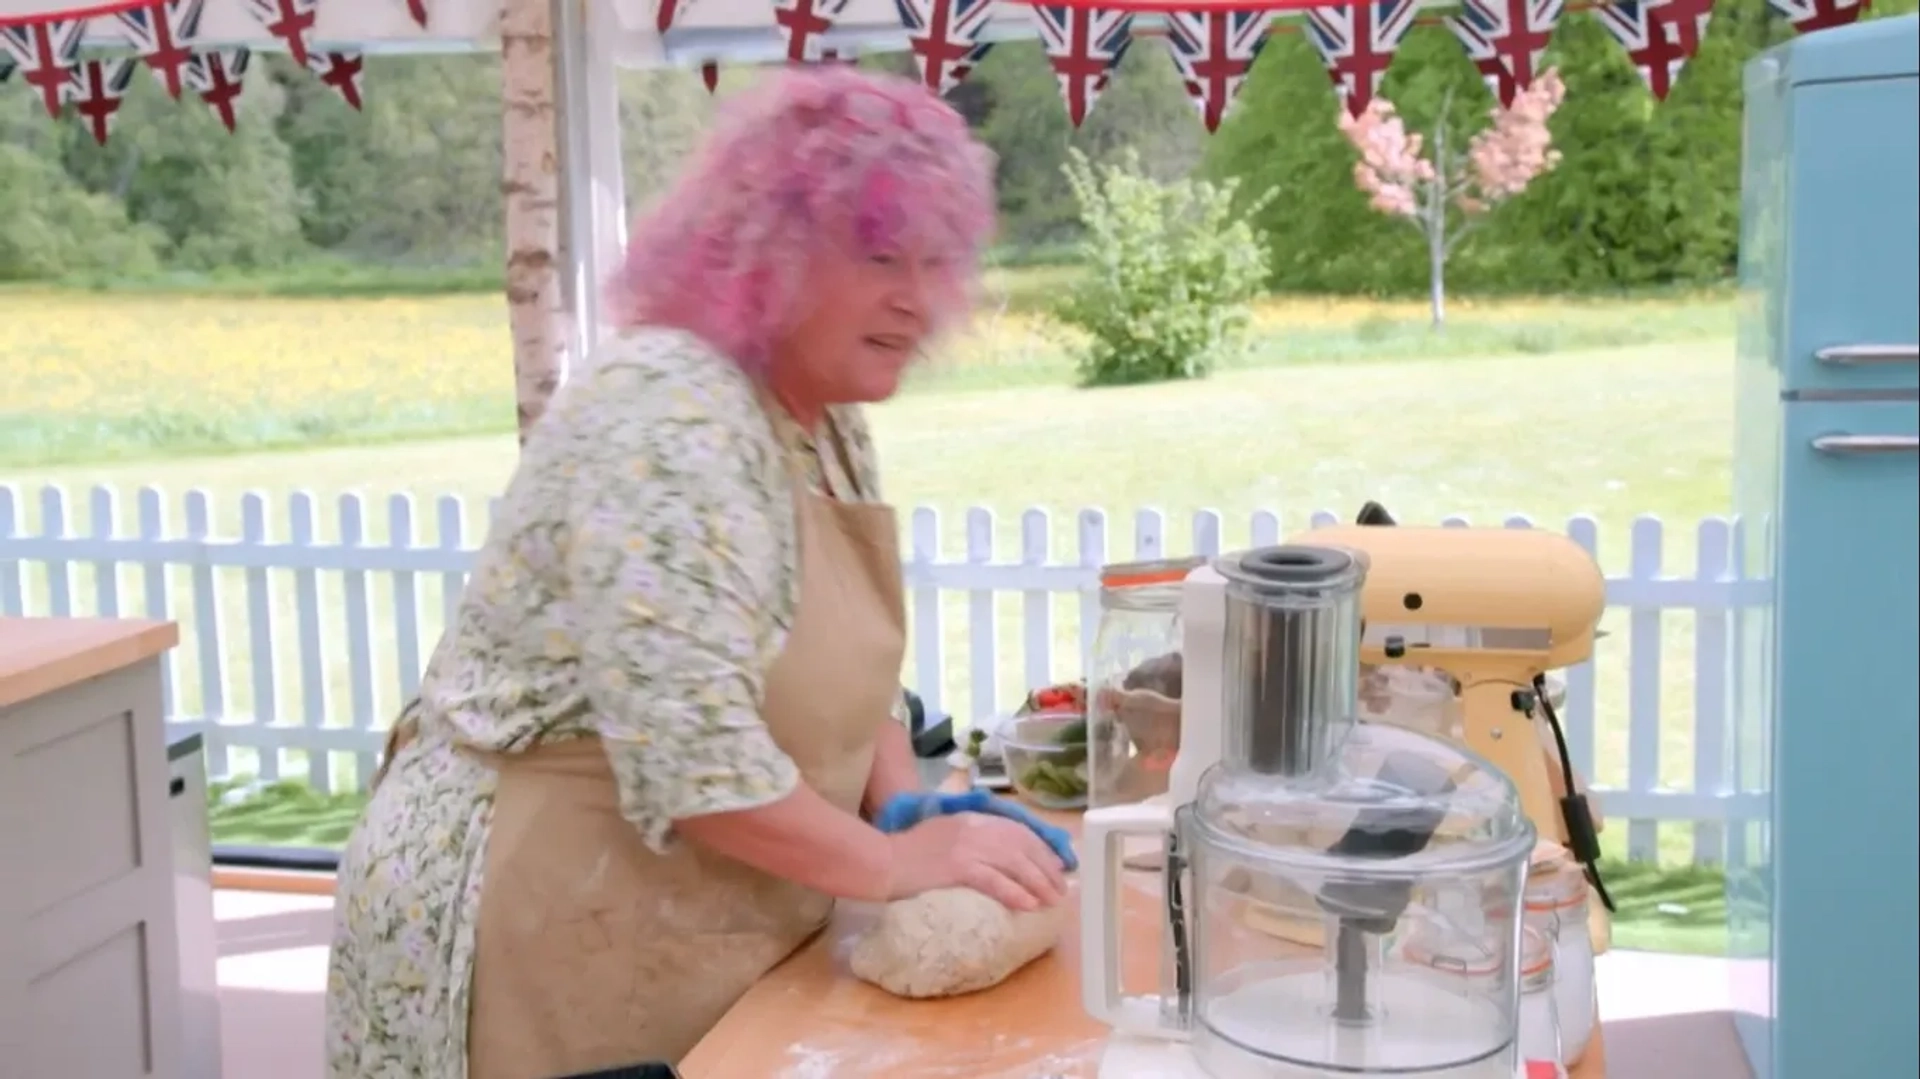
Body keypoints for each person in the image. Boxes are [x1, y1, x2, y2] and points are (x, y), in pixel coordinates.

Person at [325, 67, 1078, 1079]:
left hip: (705, 909)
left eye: (933, 259)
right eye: (878, 254)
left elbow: (835, 671)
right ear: (773, 251)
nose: (913, 297)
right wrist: (897, 863)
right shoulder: (670, 411)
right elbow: (694, 760)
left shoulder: (824, 416)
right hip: (537, 918)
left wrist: (905, 798)